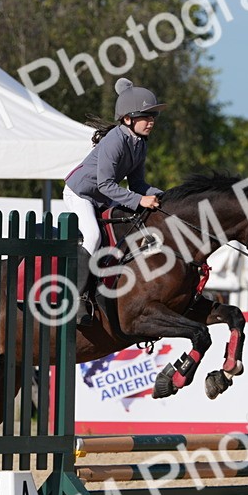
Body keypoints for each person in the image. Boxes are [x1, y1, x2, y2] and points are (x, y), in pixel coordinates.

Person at [63, 77, 165, 322]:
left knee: (128, 229)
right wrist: (140, 201)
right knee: (94, 236)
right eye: (145, 116)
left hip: (103, 195)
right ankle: (76, 299)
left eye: (153, 117)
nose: (151, 121)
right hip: (81, 193)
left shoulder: (140, 144)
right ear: (128, 118)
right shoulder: (115, 141)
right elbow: (105, 184)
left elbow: (138, 185)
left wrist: (164, 196)